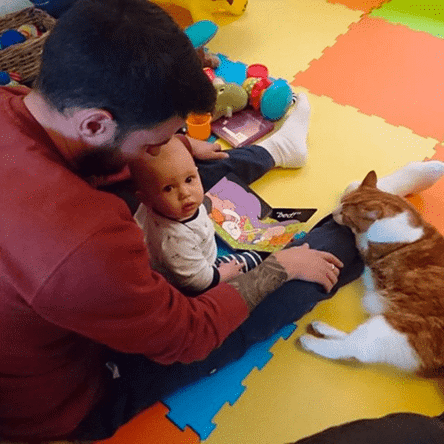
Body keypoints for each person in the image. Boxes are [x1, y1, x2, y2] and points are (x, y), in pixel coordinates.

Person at [1, 0, 443, 440]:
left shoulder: (19, 103)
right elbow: (190, 332)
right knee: (276, 279)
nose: (165, 144)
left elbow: (109, 165)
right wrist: (280, 267)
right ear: (96, 124)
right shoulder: (83, 241)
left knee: (174, 175)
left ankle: (279, 153)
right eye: (157, 138)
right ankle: (370, 214)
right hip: (75, 395)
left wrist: (172, 148)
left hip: (51, 283)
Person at [130, 134, 268, 295]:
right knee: (249, 262)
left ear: (197, 172)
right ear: (146, 199)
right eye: (168, 188)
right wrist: (224, 274)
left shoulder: (159, 206)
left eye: (189, 179)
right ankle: (266, 252)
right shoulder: (175, 239)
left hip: (192, 248)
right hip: (202, 274)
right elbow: (198, 281)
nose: (185, 193)